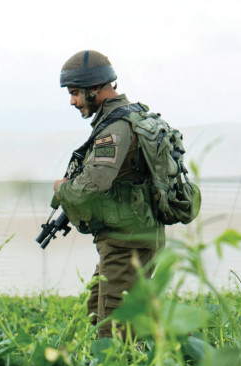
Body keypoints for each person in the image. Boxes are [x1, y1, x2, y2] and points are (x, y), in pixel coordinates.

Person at [53, 50, 164, 339]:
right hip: (128, 236)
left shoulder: (115, 127)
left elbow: (91, 185)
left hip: (127, 241)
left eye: (76, 92)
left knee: (115, 326)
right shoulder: (127, 117)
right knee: (97, 308)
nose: (72, 101)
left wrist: (62, 189)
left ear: (94, 89)